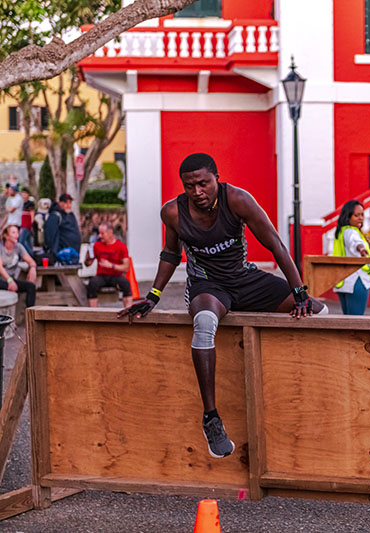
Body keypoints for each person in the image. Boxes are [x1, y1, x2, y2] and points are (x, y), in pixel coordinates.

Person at [118, 153, 327, 459]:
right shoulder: (173, 212)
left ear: (216, 178)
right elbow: (171, 254)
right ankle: (211, 418)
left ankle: (308, 394)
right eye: (190, 186)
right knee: (204, 322)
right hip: (208, 286)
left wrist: (299, 292)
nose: (197, 191)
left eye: (203, 183)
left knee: (319, 312)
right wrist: (154, 295)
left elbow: (276, 244)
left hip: (245, 279)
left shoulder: (238, 200)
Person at [332, 200, 370, 315]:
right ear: (347, 217)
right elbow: (355, 242)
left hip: (343, 281)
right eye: (356, 215)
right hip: (357, 280)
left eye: (362, 215)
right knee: (356, 320)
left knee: (347, 319)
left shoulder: (342, 231)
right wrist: (361, 248)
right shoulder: (351, 232)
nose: (360, 218)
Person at [84, 223, 133, 308]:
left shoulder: (121, 246)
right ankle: (94, 312)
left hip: (116, 276)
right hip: (101, 276)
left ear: (110, 232)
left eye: (102, 233)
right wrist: (87, 258)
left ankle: (128, 311)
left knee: (126, 283)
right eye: (99, 233)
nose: (99, 236)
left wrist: (111, 265)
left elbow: (126, 268)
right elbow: (88, 264)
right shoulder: (97, 245)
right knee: (92, 283)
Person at [0, 225, 37, 308]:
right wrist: (9, 280)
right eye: (13, 232)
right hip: (3, 280)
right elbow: (0, 267)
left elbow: (31, 261)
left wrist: (32, 268)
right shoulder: (1, 248)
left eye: (17, 232)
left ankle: (30, 312)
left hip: (11, 281)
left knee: (31, 287)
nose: (17, 235)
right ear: (6, 236)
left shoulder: (18, 247)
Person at [44, 193, 81, 258]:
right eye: (66, 203)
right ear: (60, 203)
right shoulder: (55, 216)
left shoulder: (70, 214)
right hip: (62, 255)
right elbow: (50, 236)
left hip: (73, 254)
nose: (69, 205)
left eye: (70, 203)